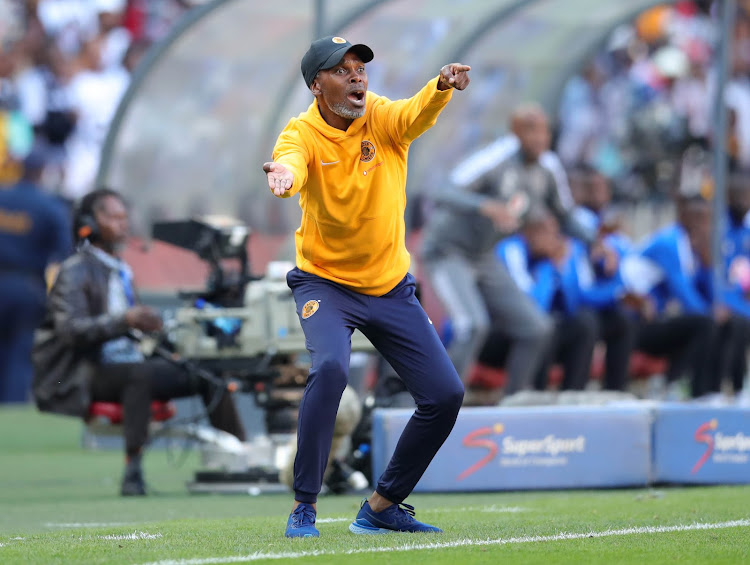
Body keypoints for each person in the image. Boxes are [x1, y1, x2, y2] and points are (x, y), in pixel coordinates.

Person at [263, 36, 468, 538]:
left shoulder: (380, 116)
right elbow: (289, 161)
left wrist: (439, 87)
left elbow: (412, 115)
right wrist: (284, 176)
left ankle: (382, 506)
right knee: (331, 368)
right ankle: (304, 506)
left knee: (445, 395)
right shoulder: (302, 132)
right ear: (317, 86)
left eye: (360, 68)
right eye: (342, 70)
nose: (357, 76)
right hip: (325, 283)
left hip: (390, 286)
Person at [32, 188, 246, 495]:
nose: (123, 225)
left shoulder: (122, 269)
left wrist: (157, 330)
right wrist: (125, 320)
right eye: (113, 217)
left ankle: (239, 457)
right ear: (89, 222)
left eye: (125, 218)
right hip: (88, 371)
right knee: (139, 375)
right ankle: (132, 471)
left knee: (206, 371)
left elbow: (133, 326)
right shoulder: (74, 271)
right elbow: (70, 331)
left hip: (130, 361)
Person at [420, 103, 593, 397]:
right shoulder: (495, 158)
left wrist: (596, 243)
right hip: (447, 252)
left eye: (544, 130)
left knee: (536, 328)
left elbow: (565, 215)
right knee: (472, 325)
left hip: (483, 256)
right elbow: (442, 191)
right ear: (515, 133)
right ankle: (439, 406)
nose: (539, 138)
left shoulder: (548, 167)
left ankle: (513, 403)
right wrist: (484, 205)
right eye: (530, 130)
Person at [0, 149, 71, 403]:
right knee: (21, 352)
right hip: (26, 286)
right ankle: (12, 409)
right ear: (42, 172)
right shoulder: (48, 206)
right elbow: (65, 252)